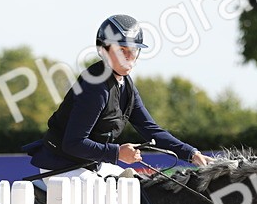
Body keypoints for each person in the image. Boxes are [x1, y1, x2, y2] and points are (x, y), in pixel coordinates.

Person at [26, 14, 209, 178]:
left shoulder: (126, 85)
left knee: (138, 187)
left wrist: (191, 154)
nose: (129, 57)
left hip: (90, 165)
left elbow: (151, 130)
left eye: (134, 51)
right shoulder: (95, 86)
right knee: (114, 198)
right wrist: (117, 153)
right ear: (104, 50)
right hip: (61, 167)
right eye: (122, 50)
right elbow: (73, 143)